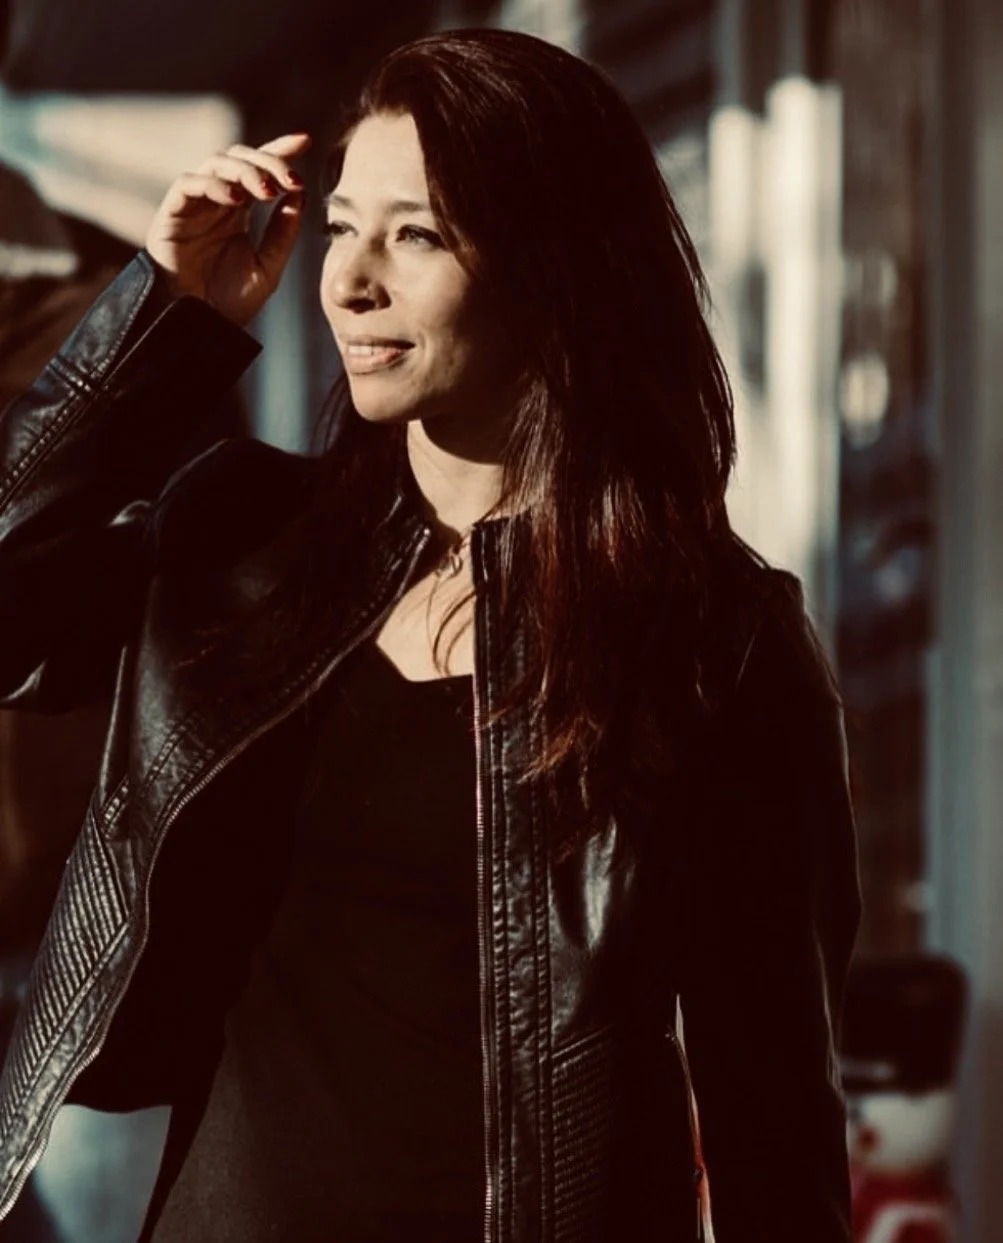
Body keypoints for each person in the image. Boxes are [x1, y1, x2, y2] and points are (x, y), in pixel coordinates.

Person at [0, 27, 860, 1243]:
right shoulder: (240, 547)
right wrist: (162, 325)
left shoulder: (716, 636)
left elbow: (771, 1099)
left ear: (554, 269)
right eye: (343, 226)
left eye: (417, 235)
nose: (351, 280)